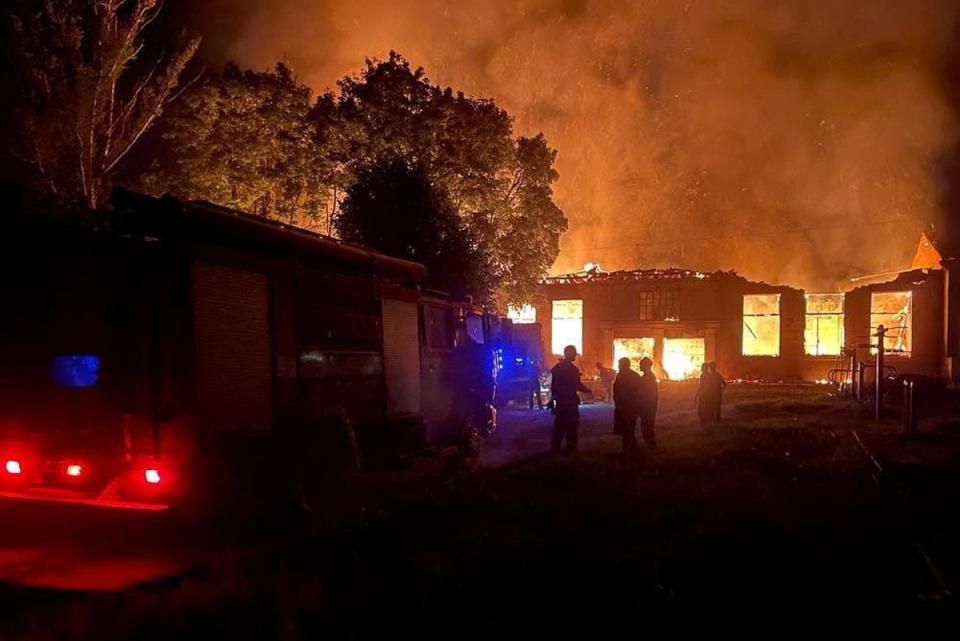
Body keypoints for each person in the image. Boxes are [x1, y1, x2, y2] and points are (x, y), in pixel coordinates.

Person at [550, 345, 591, 453]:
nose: (575, 355)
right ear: (569, 353)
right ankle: (570, 448)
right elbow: (577, 384)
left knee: (559, 425)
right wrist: (588, 390)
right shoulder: (572, 369)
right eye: (574, 353)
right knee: (572, 425)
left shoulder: (557, 368)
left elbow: (553, 386)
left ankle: (555, 448)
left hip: (560, 401)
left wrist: (553, 400)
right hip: (570, 401)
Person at [613, 357, 642, 450]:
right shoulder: (635, 375)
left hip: (624, 406)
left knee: (626, 428)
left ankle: (629, 448)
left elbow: (617, 390)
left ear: (623, 365)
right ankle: (631, 447)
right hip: (632, 407)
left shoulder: (621, 375)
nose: (618, 366)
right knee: (629, 428)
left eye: (619, 364)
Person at [637, 357, 659, 448]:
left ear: (646, 366)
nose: (640, 365)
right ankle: (650, 444)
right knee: (646, 426)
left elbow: (646, 393)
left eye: (641, 364)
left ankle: (651, 445)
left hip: (648, 406)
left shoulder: (648, 377)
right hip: (648, 406)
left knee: (647, 426)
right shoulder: (648, 376)